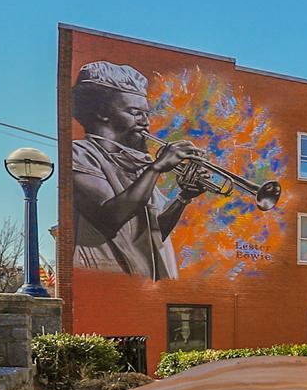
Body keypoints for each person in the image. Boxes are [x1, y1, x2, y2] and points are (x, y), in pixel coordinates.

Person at [70, 62, 209, 279]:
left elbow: (153, 233)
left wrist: (184, 197)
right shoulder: (79, 153)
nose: (146, 122)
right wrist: (156, 168)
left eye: (146, 114)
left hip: (146, 281)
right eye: (135, 113)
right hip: (106, 278)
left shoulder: (139, 164)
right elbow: (110, 216)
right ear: (101, 113)